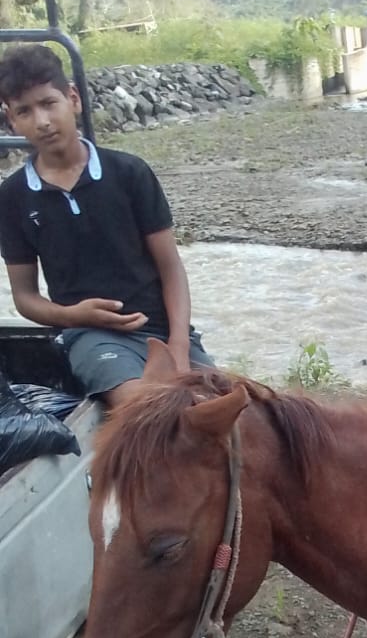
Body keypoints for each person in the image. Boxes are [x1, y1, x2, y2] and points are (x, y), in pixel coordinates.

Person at [0, 45, 213, 406]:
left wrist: (178, 346)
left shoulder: (129, 173)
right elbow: (25, 297)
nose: (42, 121)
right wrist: (71, 315)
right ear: (11, 120)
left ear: (73, 98)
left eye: (49, 103)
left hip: (163, 329)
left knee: (224, 407)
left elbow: (171, 268)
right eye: (25, 111)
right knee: (145, 407)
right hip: (92, 337)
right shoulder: (13, 197)